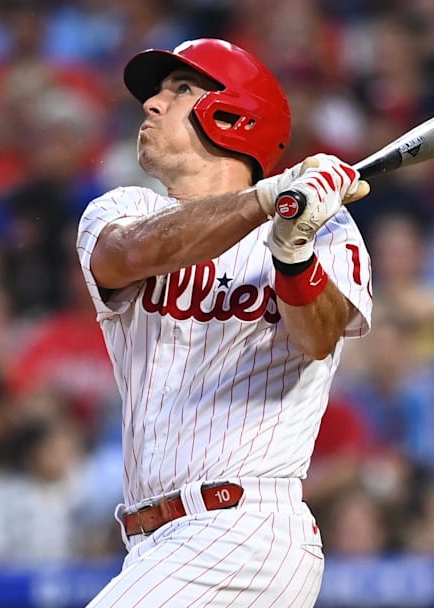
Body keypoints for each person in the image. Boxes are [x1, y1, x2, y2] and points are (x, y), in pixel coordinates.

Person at [78, 39, 373, 607]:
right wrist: (267, 201)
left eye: (180, 89)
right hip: (154, 542)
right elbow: (134, 253)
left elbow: (318, 337)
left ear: (236, 116)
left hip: (245, 530)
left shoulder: (327, 230)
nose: (152, 105)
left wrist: (293, 252)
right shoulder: (119, 210)